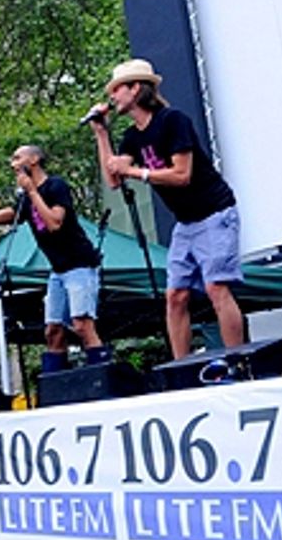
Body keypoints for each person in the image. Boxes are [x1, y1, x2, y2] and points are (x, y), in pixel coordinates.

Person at [90, 58, 245, 359]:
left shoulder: (172, 120)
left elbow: (181, 175)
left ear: (136, 89)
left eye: (117, 89)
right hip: (186, 223)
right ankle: (182, 369)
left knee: (216, 289)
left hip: (214, 213)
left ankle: (240, 361)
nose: (113, 96)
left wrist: (137, 171)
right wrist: (101, 134)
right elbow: (113, 178)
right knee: (175, 296)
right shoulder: (133, 137)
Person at [0, 144, 108, 372]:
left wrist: (32, 192)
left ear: (35, 159)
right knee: (52, 331)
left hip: (80, 265)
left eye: (17, 158)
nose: (13, 164)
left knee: (82, 326)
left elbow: (54, 223)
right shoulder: (26, 201)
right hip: (58, 271)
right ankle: (55, 382)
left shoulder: (55, 186)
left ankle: (101, 375)